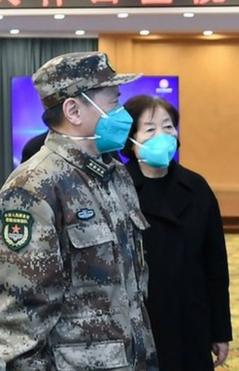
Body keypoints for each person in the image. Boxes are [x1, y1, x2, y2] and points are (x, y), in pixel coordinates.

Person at [0, 52, 157, 370]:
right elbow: (21, 321)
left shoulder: (116, 174)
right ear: (73, 110)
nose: (122, 113)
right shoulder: (32, 187)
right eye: (113, 102)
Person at [121, 95, 232, 370]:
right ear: (131, 139)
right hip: (136, 324)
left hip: (190, 319)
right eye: (150, 128)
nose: (162, 135)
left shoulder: (196, 188)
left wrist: (220, 330)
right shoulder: (117, 188)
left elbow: (215, 266)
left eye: (168, 127)